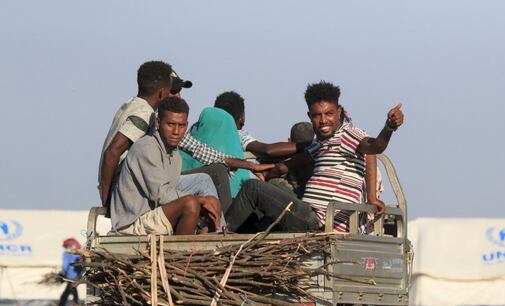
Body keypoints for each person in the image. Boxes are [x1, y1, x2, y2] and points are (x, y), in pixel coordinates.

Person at [224, 81, 403, 233]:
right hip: (307, 215)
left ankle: (218, 239)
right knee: (265, 197)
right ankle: (236, 237)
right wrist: (267, 174)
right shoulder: (320, 145)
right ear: (310, 116)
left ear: (339, 112)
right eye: (317, 115)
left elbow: (375, 147)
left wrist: (389, 127)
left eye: (329, 114)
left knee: (252, 188)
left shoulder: (348, 135)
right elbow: (285, 166)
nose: (323, 120)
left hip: (320, 223)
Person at [99, 62, 220, 212]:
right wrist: (107, 199)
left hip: (134, 182)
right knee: (203, 182)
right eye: (172, 90)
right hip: (130, 188)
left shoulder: (132, 105)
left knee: (200, 180)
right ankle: (219, 232)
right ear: (163, 93)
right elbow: (112, 152)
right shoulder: (143, 114)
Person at [110, 96, 221, 235]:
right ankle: (183, 254)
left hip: (154, 215)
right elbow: (162, 195)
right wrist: (201, 200)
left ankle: (204, 247)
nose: (176, 132)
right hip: (133, 223)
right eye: (170, 124)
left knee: (213, 203)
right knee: (191, 203)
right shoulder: (146, 148)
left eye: (181, 126)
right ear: (158, 123)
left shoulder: (175, 155)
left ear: (186, 125)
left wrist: (206, 201)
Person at [55, 238, 82, 306]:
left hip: (71, 278)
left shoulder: (67, 254)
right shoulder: (79, 254)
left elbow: (65, 266)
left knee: (69, 294)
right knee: (70, 293)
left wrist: (62, 275)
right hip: (76, 277)